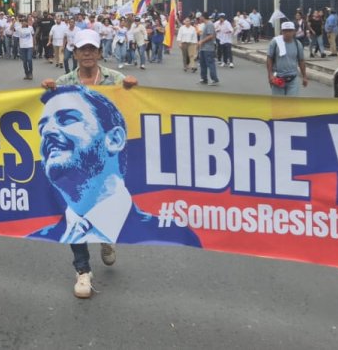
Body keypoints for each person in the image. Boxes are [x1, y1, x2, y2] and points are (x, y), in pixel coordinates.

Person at [38, 32, 196, 299]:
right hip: (77, 173)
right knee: (74, 208)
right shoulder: (65, 82)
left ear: (99, 53)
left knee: (99, 199)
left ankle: (106, 235)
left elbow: (131, 105)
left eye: (92, 49)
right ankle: (82, 270)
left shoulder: (115, 79)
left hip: (106, 160)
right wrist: (47, 87)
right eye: (81, 50)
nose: (87, 54)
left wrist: (133, 86)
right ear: (74, 54)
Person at [266, 21, 308, 96]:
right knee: (279, 105)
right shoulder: (275, 42)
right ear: (282, 31)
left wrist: (304, 76)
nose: (287, 33)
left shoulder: (297, 44)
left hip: (292, 79)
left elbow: (301, 61)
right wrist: (270, 75)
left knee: (291, 105)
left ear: (294, 31)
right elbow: (269, 58)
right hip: (278, 78)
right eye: (285, 31)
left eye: (290, 30)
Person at [196, 15, 219, 86]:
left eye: (200, 17)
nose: (199, 19)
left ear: (203, 17)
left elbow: (211, 36)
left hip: (208, 48)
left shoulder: (209, 24)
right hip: (203, 48)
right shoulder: (205, 25)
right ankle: (204, 79)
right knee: (202, 64)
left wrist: (202, 41)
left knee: (210, 63)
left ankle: (214, 79)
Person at [15, 15, 35, 79]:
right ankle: (26, 74)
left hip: (29, 46)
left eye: (25, 22)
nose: (23, 23)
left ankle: (30, 73)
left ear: (27, 22)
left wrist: (34, 44)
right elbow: (12, 28)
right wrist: (15, 21)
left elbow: (33, 35)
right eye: (22, 22)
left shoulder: (30, 28)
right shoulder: (19, 28)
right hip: (22, 47)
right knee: (24, 61)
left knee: (29, 59)